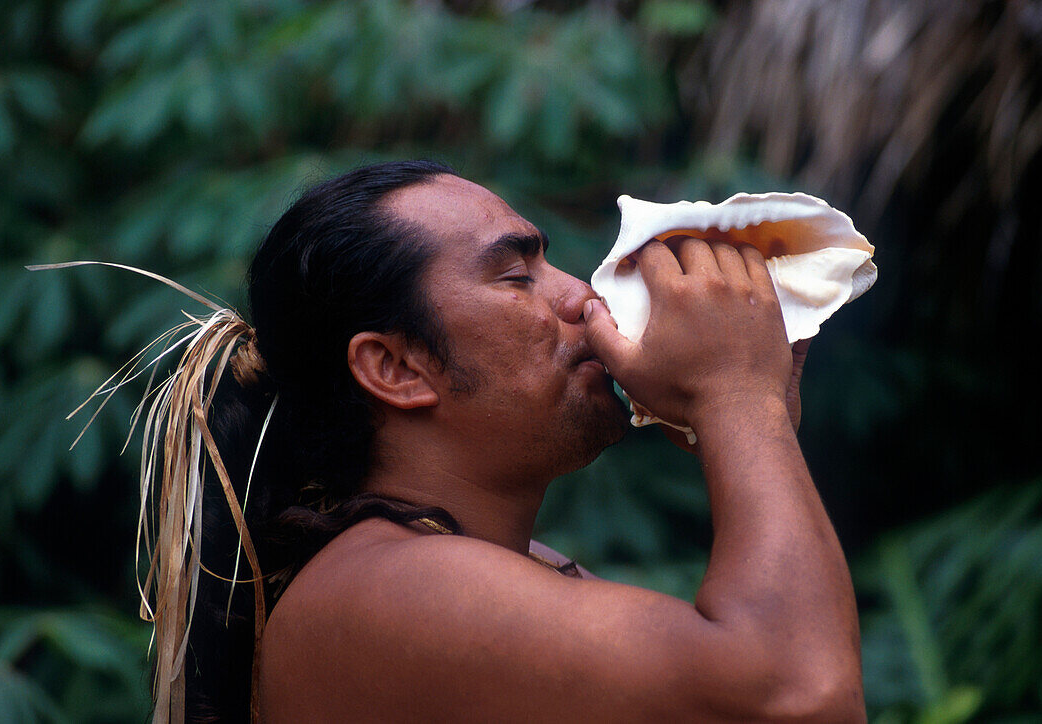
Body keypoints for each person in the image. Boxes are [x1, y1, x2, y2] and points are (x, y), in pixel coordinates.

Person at [137, 160, 863, 721]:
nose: (581, 296)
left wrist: (746, 418)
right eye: (518, 277)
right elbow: (800, 695)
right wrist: (739, 401)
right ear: (396, 368)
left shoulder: (490, 567)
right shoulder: (392, 588)